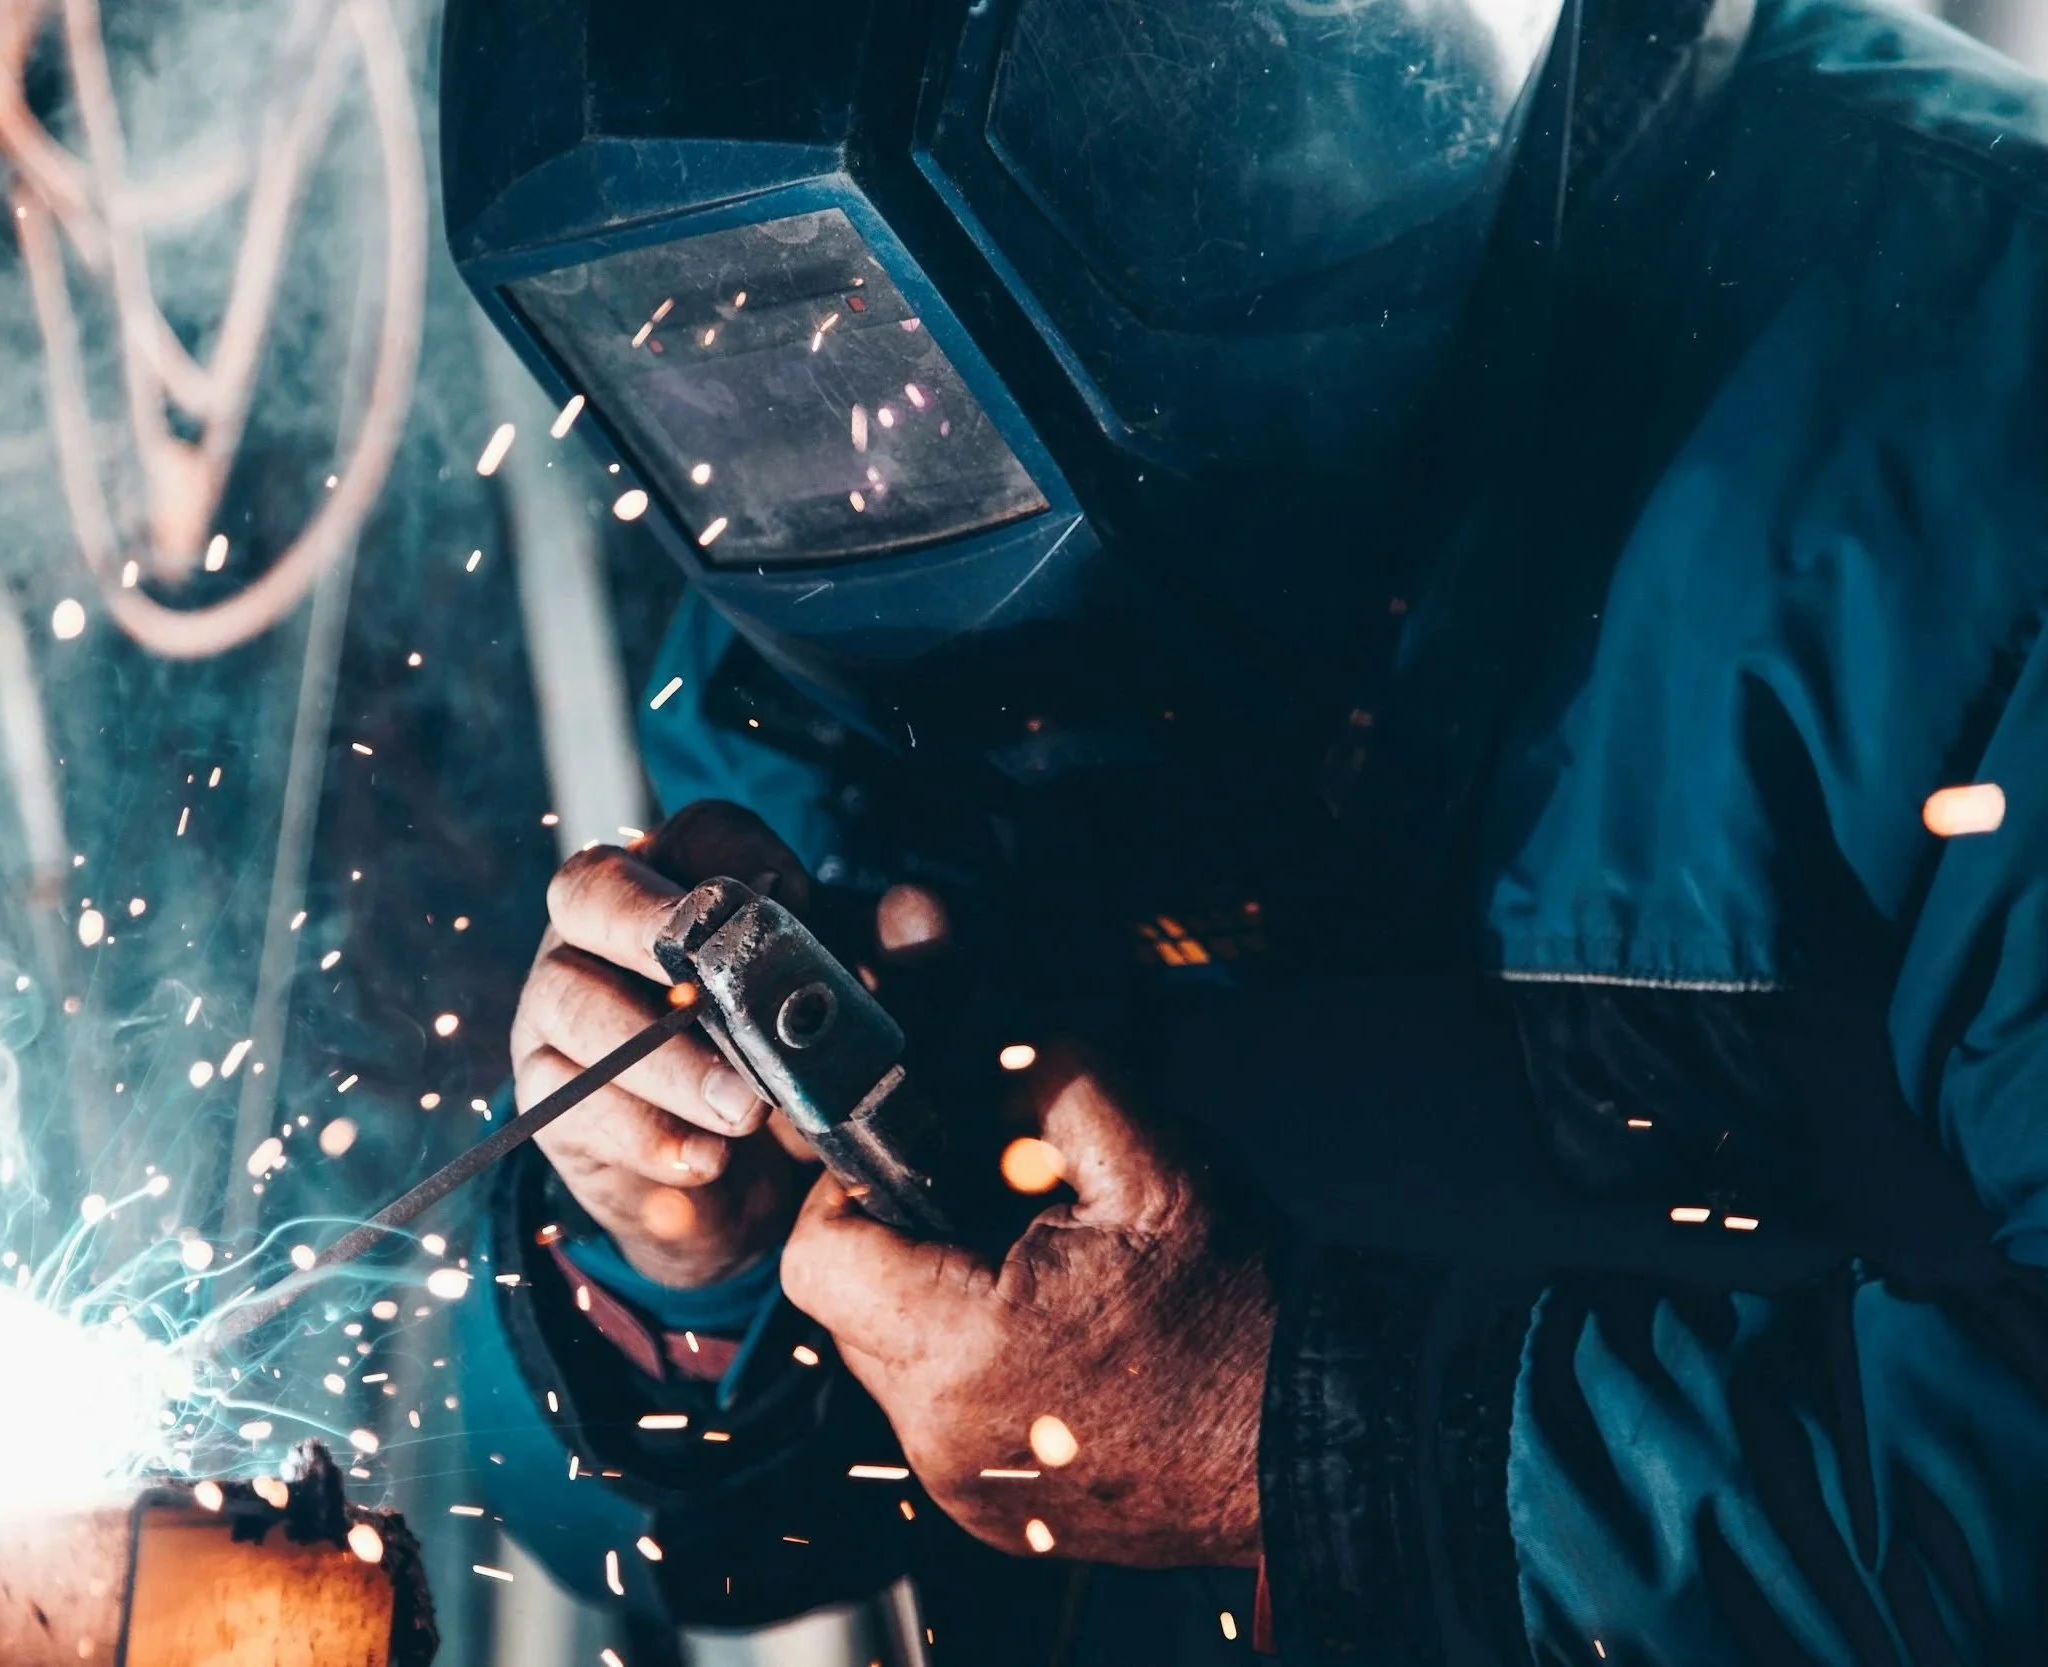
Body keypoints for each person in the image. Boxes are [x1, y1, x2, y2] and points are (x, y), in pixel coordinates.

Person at [445, 0, 2048, 1658]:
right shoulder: (847, 497)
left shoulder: (1979, 408)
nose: (854, 441)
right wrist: (666, 1263)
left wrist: (1313, 1444)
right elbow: (685, 1548)